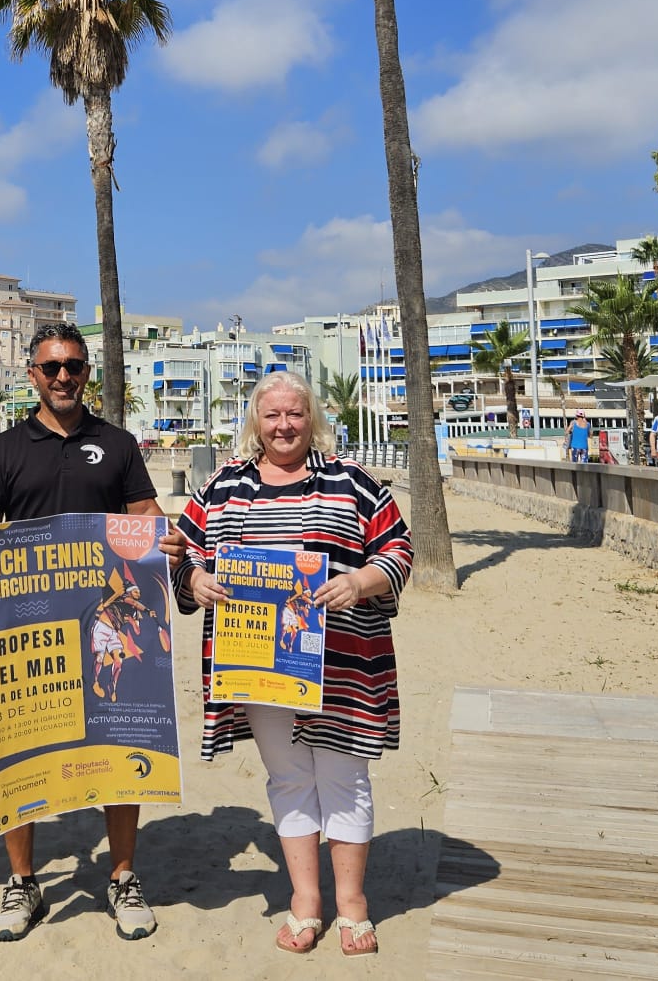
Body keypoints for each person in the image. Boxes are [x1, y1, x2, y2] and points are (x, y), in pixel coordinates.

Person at [0, 321, 185, 944]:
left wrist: (168, 535)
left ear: (87, 372)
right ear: (32, 376)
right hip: (31, 623)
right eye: (52, 368)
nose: (64, 377)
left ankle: (122, 875)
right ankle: (23, 882)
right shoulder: (5, 447)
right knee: (17, 741)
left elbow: (144, 515)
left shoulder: (119, 442)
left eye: (74, 365)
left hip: (108, 620)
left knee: (118, 731)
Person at [171, 371, 413, 956]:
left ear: (313, 419)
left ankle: (352, 901)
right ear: (256, 421)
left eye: (295, 414)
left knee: (344, 777)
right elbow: (181, 554)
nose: (284, 426)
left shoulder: (352, 481)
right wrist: (196, 581)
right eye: (272, 415)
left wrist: (360, 581)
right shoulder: (222, 486)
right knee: (287, 778)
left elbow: (399, 549)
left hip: (342, 662)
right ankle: (306, 899)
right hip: (256, 664)